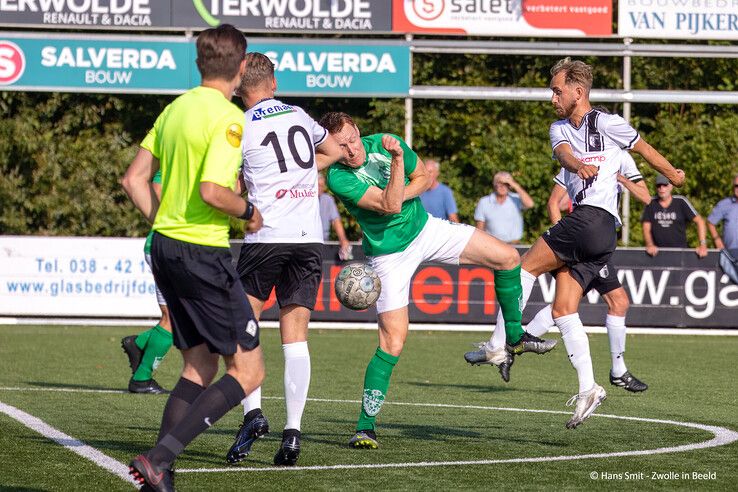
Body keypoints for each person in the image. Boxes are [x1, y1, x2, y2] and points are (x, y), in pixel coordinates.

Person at [465, 58, 684, 429]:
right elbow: (564, 154)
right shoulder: (559, 128)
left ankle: (499, 344)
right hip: (600, 236)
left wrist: (673, 175)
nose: (552, 97)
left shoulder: (610, 123)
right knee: (565, 309)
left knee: (521, 268)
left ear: (577, 92)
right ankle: (589, 388)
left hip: (591, 219)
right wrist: (577, 164)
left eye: (557, 90)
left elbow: (645, 150)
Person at [319, 111, 555, 449]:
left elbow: (426, 180)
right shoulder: (339, 176)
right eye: (341, 146)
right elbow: (388, 205)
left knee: (508, 258)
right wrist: (398, 163)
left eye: (353, 139)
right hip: (388, 256)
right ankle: (364, 428)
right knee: (393, 342)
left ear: (358, 131)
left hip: (426, 229)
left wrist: (401, 187)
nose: (351, 149)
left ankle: (514, 336)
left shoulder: (383, 142)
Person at [121, 25, 265, 492]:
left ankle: (158, 477)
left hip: (164, 247)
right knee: (247, 371)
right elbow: (212, 191)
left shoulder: (173, 109)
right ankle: (159, 459)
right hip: (202, 251)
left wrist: (164, 222)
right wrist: (249, 211)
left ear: (200, 64)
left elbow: (134, 180)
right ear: (242, 68)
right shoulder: (228, 118)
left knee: (197, 367)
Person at [224, 52, 342, 467]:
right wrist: (306, 174)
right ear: (272, 83)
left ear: (240, 88)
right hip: (309, 239)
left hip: (266, 237)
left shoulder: (238, 127)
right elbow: (332, 151)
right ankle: (292, 434)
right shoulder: (298, 114)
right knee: (295, 338)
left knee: (242, 325)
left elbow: (226, 184)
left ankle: (253, 414)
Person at [523, 154, 651, 393]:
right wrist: (563, 246)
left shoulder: (619, 159)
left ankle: (521, 339)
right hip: (583, 244)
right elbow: (554, 203)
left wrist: (621, 178)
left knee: (607, 303)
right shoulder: (575, 162)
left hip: (599, 245)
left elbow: (645, 196)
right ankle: (518, 341)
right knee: (569, 307)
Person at [121, 170, 173, 395]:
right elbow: (155, 189)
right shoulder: (179, 158)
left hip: (169, 246)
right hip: (170, 247)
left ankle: (139, 343)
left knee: (174, 317)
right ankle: (141, 379)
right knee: (174, 318)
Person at [641, 174, 707, 258]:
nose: (661, 188)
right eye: (658, 185)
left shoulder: (680, 202)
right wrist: (649, 244)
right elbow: (646, 227)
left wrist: (703, 244)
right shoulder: (651, 203)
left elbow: (700, 221)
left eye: (665, 185)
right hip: (657, 254)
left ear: (671, 186)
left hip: (680, 253)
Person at [474, 171, 534, 243]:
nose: (503, 187)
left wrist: (514, 184)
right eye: (500, 183)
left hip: (514, 245)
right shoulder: (484, 202)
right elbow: (480, 228)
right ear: (494, 184)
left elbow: (530, 204)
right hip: (492, 245)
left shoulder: (516, 199)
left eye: (506, 184)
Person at [318, 173, 353, 260]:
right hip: (307, 241)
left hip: (323, 242)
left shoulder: (328, 199)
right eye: (317, 185)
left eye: (322, 186)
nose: (320, 188)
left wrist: (343, 240)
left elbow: (336, 221)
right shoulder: (304, 200)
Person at [707, 173, 738, 257]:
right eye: (736, 186)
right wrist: (717, 240)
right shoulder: (725, 204)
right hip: (730, 252)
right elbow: (710, 222)